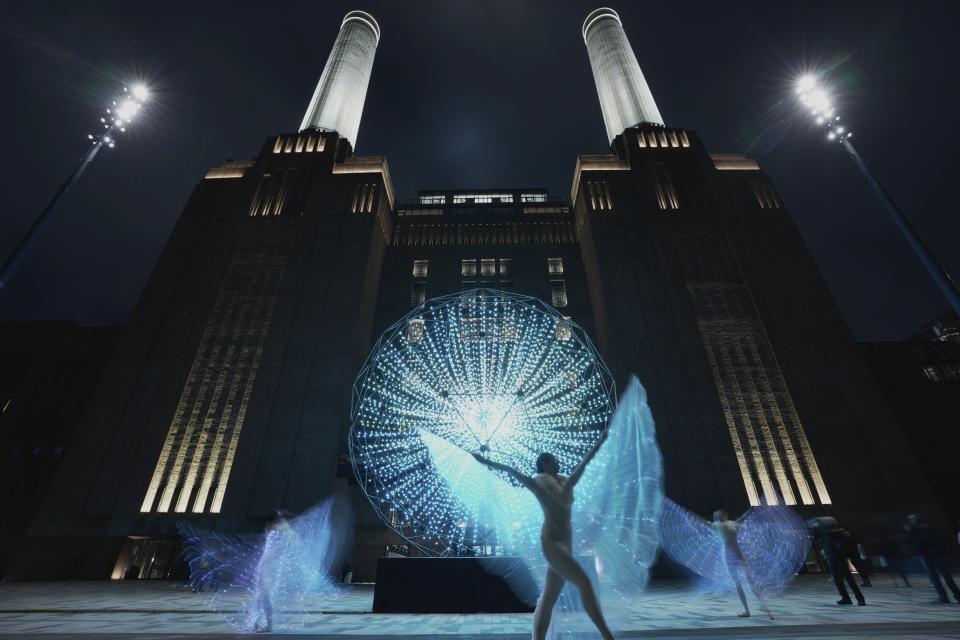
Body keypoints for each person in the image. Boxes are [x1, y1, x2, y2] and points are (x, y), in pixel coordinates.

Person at [473, 430, 614, 640]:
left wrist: (600, 442)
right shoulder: (537, 483)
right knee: (584, 582)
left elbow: (585, 463)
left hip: (567, 542)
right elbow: (510, 470)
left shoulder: (567, 482)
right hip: (552, 543)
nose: (556, 463)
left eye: (555, 460)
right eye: (552, 461)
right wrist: (483, 460)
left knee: (548, 599)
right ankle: (607, 636)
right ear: (543, 465)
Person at [711, 509, 773, 619]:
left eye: (719, 514)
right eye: (716, 515)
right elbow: (702, 521)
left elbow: (742, 518)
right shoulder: (717, 525)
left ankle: (762, 607)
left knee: (750, 583)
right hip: (730, 555)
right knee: (739, 584)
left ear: (724, 515)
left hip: (736, 554)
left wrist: (750, 509)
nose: (717, 516)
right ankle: (749, 610)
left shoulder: (730, 523)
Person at [808, 518, 865, 606]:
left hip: (836, 557)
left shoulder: (832, 532)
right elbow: (815, 539)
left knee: (845, 579)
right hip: (834, 557)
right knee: (842, 579)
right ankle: (851, 598)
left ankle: (855, 598)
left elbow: (816, 539)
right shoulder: (827, 532)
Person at [904, 514, 960, 604]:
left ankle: (948, 596)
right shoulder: (921, 527)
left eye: (913, 518)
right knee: (938, 576)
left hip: (930, 553)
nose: (912, 520)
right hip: (927, 553)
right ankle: (946, 596)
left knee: (940, 575)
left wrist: (910, 531)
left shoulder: (921, 528)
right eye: (910, 518)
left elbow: (917, 540)